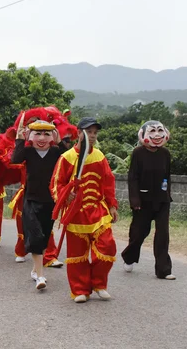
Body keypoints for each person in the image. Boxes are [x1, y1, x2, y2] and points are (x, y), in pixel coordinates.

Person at [50, 117, 118, 303]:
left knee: (108, 247)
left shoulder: (99, 156)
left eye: (95, 132)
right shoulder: (67, 157)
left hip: (98, 210)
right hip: (75, 212)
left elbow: (108, 183)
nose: (93, 136)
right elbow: (56, 184)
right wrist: (66, 195)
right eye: (89, 132)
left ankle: (98, 283)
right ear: (78, 133)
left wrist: (112, 205)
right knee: (78, 254)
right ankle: (80, 289)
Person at [11, 118, 67, 290]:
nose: (42, 138)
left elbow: (71, 159)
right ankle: (40, 277)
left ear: (53, 136)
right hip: (31, 200)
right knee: (35, 235)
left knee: (43, 238)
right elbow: (15, 159)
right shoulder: (27, 151)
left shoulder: (57, 152)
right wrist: (20, 139)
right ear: (30, 135)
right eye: (38, 133)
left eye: (46, 134)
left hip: (50, 201)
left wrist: (60, 142)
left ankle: (36, 270)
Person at [121, 120, 176, 280]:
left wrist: (167, 194)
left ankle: (163, 270)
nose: (157, 135)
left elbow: (167, 176)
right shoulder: (138, 153)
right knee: (139, 233)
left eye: (160, 131)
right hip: (143, 201)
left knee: (163, 234)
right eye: (152, 131)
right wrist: (135, 200)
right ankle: (129, 257)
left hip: (162, 200)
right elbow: (133, 178)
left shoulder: (165, 154)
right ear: (143, 134)